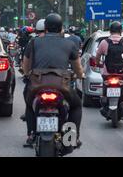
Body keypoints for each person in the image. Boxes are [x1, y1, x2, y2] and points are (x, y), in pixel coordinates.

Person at [22, 13, 84, 147]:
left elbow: (26, 64)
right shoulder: (70, 44)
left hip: (37, 85)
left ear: (45, 27)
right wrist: (80, 75)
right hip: (62, 85)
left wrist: (27, 74)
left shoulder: (34, 42)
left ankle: (31, 133)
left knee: (29, 104)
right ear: (61, 27)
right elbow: (77, 67)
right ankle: (71, 138)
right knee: (76, 106)